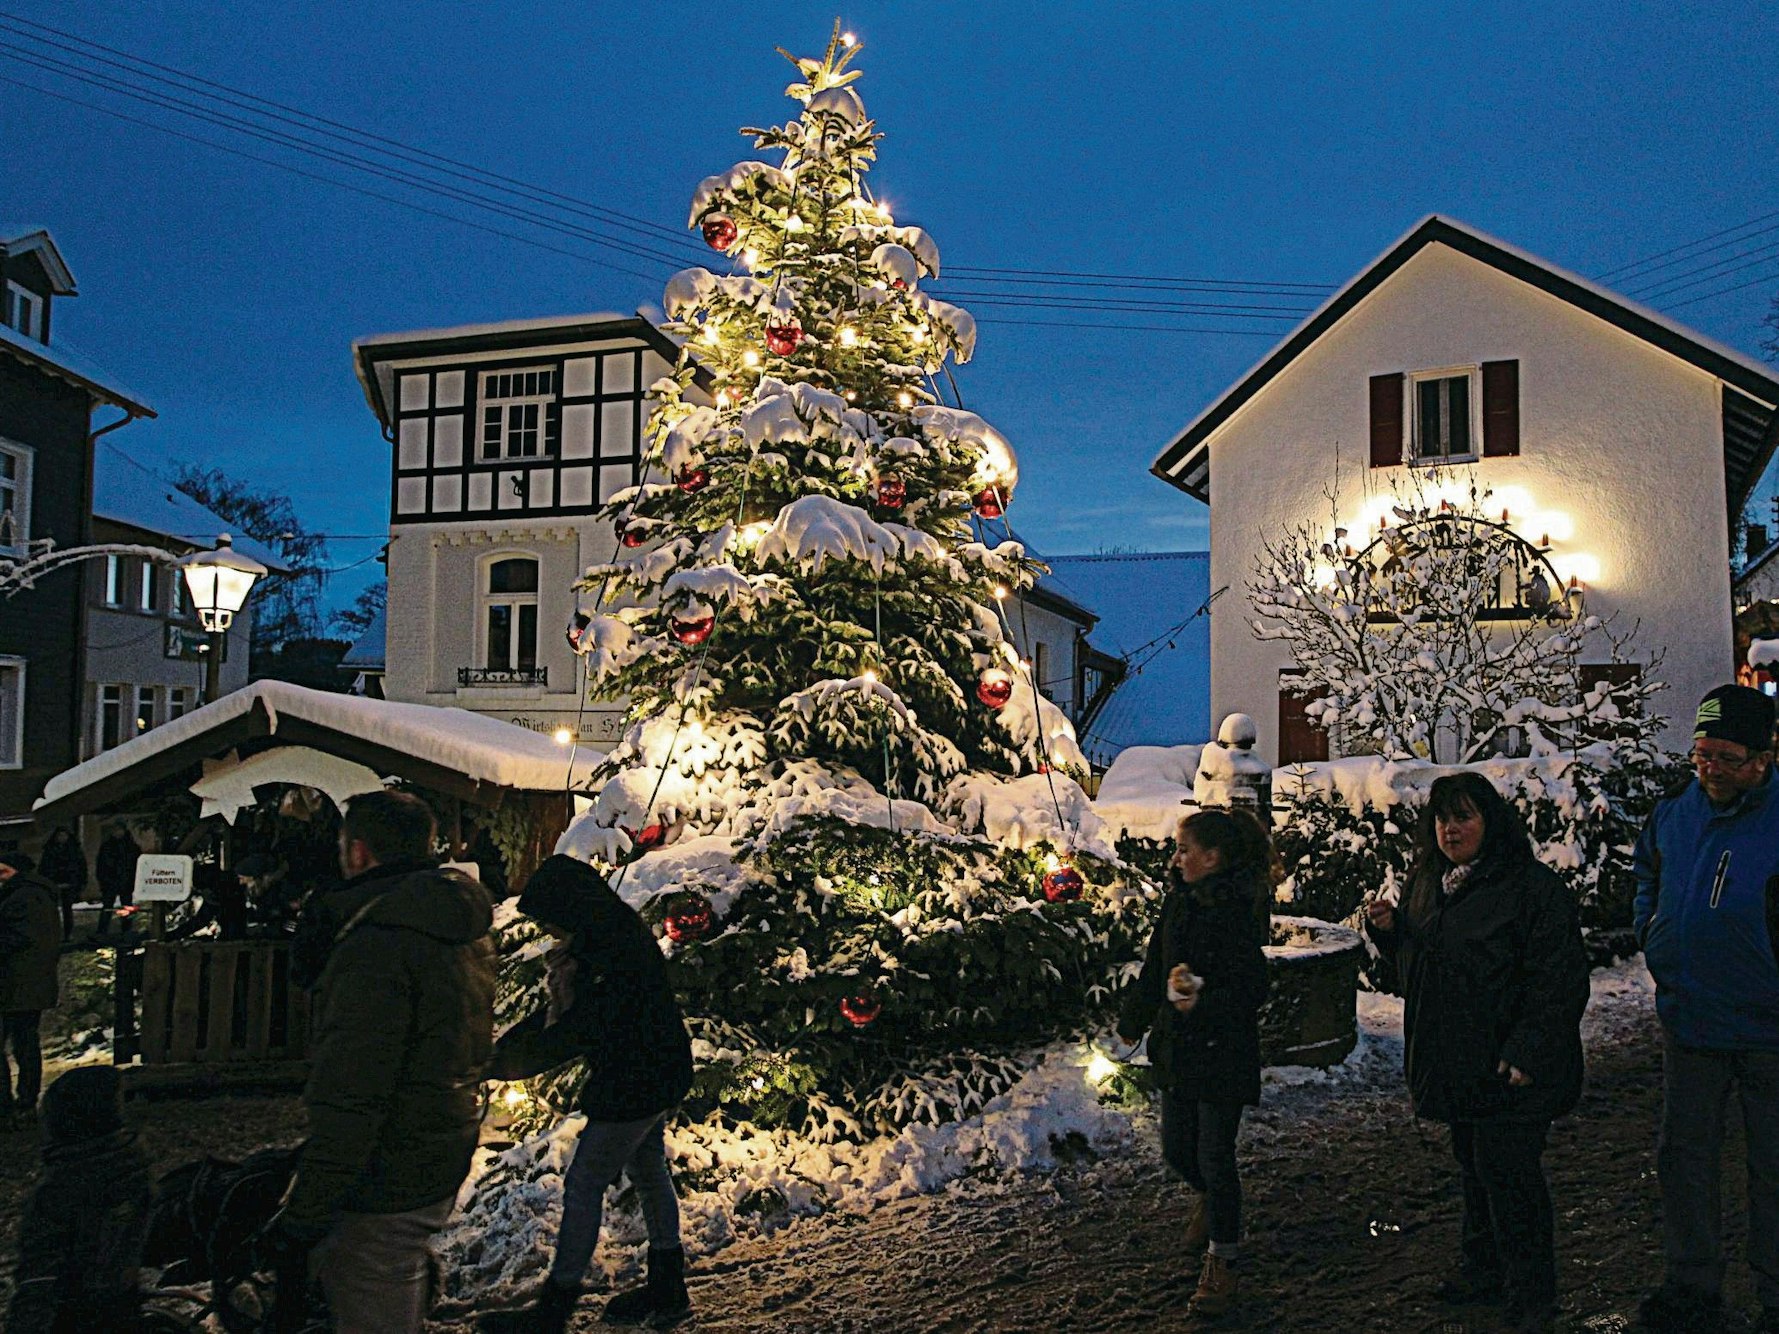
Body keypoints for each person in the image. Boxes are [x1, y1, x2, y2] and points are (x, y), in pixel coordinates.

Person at [1365, 772, 1588, 1334]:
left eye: (1463, 817)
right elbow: (1426, 957)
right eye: (1442, 818)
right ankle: (1484, 1270)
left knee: (1508, 1173)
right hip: (1458, 1057)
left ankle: (1532, 1293)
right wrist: (1393, 933)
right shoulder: (1429, 879)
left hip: (1509, 1066)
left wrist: (1528, 1051)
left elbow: (1557, 977)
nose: (1450, 829)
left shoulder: (1528, 889)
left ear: (1490, 822)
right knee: (1473, 1166)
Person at [271, 790, 496, 1334]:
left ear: (358, 853)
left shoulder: (377, 944)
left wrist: (306, 1209)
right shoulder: (453, 922)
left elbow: (354, 1090)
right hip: (440, 1139)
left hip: (387, 1164)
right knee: (395, 1275)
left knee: (373, 1288)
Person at [481, 854, 695, 1333]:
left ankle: (554, 1309)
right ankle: (667, 1286)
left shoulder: (608, 950)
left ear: (569, 908)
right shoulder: (601, 939)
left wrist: (507, 1063)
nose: (549, 931)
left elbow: (576, 1028)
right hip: (651, 1071)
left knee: (584, 1183)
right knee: (648, 1170)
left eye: (550, 919)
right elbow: (562, 1020)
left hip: (638, 1078)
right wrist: (505, 1050)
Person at [1633, 684, 1779, 1334]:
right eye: (1700, 756)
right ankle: (1691, 1286)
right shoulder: (1675, 811)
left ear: (1761, 759)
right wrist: (1651, 934)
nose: (1708, 770)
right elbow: (1646, 874)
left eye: (1723, 757)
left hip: (1768, 1032)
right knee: (1683, 1160)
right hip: (1689, 1020)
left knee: (1772, 1168)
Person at [1116, 808, 1272, 1322]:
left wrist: (1202, 998)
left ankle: (1222, 1261)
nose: (1176, 858)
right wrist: (1133, 1021)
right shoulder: (1178, 903)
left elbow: (1253, 988)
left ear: (1213, 857)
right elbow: (1156, 964)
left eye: (1185, 850)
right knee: (1177, 1148)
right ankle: (1208, 1199)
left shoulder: (1237, 911)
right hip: (1179, 1049)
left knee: (1214, 1153)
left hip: (1222, 1055)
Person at [7, 1066, 156, 1330]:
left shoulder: (61, 1191)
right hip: (121, 1306)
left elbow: (40, 1274)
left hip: (72, 1316)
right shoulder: (131, 1166)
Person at [0, 850, 62, 1125]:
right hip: (23, 983)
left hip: (18, 983)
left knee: (24, 1042)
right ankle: (21, 1102)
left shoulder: (25, 897)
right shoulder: (31, 895)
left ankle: (18, 1104)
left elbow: (21, 938)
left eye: (2, 871)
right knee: (25, 1041)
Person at [36, 827, 87, 941]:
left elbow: (81, 867)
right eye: (60, 836)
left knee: (67, 910)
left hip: (69, 884)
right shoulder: (50, 851)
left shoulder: (74, 850)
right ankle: (54, 934)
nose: (62, 838)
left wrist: (79, 882)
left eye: (64, 836)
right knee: (52, 911)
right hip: (54, 884)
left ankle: (68, 933)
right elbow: (44, 868)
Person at [94, 823, 141, 937]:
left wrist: (133, 880)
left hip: (126, 881)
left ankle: (127, 929)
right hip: (110, 882)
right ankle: (102, 930)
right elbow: (101, 865)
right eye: (115, 830)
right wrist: (103, 880)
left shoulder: (131, 847)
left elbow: (137, 865)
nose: (118, 833)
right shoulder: (107, 847)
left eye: (119, 830)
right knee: (107, 907)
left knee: (126, 907)